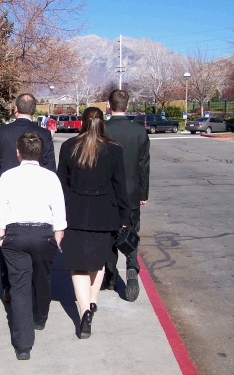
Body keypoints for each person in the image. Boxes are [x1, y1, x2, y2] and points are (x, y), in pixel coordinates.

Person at [57, 107, 131, 339]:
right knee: (97, 262)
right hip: (104, 212)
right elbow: (120, 185)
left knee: (78, 265)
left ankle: (84, 310)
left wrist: (58, 215)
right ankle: (93, 302)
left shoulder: (69, 146)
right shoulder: (114, 149)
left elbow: (62, 184)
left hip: (75, 213)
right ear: (102, 123)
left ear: (82, 122)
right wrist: (125, 217)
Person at [0, 132, 66, 360]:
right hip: (44, 234)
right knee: (43, 277)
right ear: (41, 153)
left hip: (16, 234)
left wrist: (2, 239)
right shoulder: (50, 177)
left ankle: (23, 344)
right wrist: (56, 239)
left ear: (18, 152)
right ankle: (40, 318)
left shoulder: (8, 176)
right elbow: (60, 214)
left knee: (20, 287)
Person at [0, 93, 56, 302]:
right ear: (34, 110)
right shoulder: (43, 134)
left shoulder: (1, 132)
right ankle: (35, 285)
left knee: (7, 238)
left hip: (9, 192)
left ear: (15, 109)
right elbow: (51, 168)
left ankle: (9, 286)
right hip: (38, 195)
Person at [104, 89, 150, 302]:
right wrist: (143, 192)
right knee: (130, 231)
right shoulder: (139, 132)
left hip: (108, 193)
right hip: (131, 192)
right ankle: (132, 265)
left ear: (109, 105)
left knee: (110, 235)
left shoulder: (102, 129)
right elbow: (143, 164)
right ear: (127, 106)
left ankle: (111, 276)